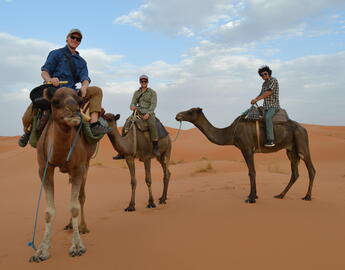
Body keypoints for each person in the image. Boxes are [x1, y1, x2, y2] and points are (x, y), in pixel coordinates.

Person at [18, 28, 110, 147]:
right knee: (30, 112)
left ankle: (94, 125)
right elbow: (45, 71)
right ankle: (28, 132)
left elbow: (85, 77)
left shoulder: (82, 62)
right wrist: (50, 79)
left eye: (78, 39)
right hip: (55, 90)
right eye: (73, 37)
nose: (75, 40)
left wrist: (84, 86)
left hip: (72, 92)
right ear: (67, 38)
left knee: (97, 91)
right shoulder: (56, 54)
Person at [113, 75, 160, 159]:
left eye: (145, 81)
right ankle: (122, 151)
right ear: (140, 82)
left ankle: (155, 147)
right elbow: (132, 102)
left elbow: (153, 105)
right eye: (142, 81)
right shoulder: (136, 93)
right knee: (126, 123)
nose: (143, 83)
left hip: (148, 113)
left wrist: (148, 114)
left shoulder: (152, 92)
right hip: (137, 112)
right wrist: (132, 106)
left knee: (152, 124)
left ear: (147, 82)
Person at [251, 65, 280, 147]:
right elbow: (261, 94)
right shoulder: (264, 84)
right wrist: (254, 99)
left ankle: (271, 140)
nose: (263, 76)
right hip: (266, 106)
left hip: (273, 106)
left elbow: (268, 92)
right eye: (262, 75)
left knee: (267, 118)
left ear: (269, 73)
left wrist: (257, 100)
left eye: (265, 74)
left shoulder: (273, 80)